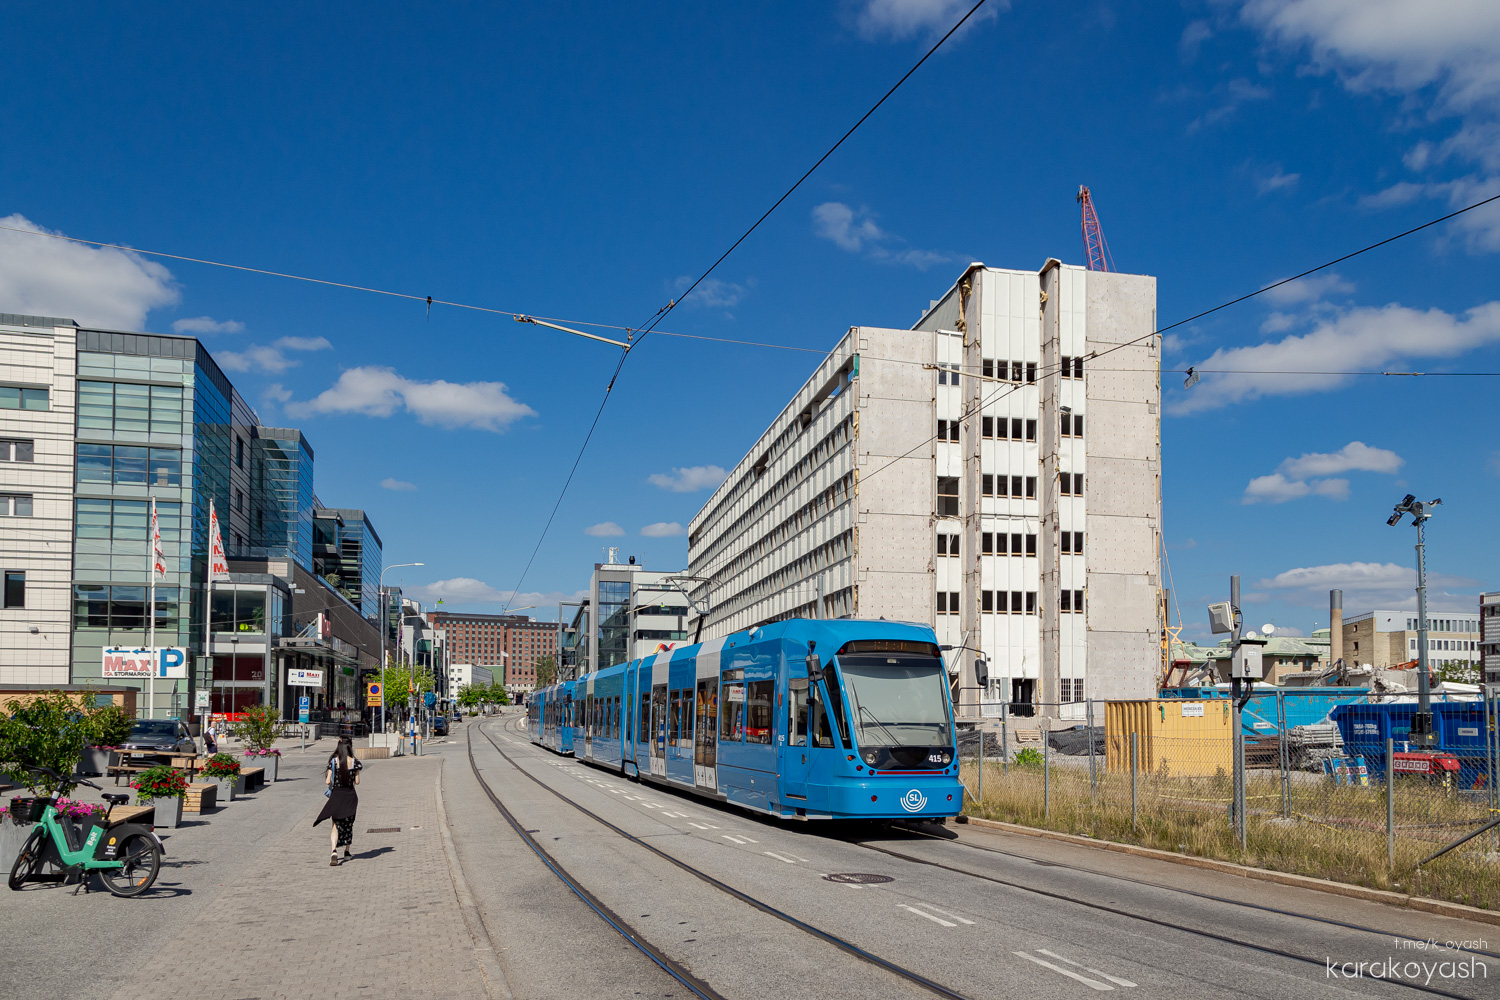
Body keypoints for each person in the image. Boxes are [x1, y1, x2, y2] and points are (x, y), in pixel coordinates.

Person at [314, 737, 362, 866]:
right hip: (350, 796)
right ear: (350, 747)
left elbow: (327, 781)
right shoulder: (355, 763)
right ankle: (347, 852)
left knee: (335, 824)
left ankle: (334, 850)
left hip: (337, 795)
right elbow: (357, 782)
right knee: (349, 823)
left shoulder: (334, 761)